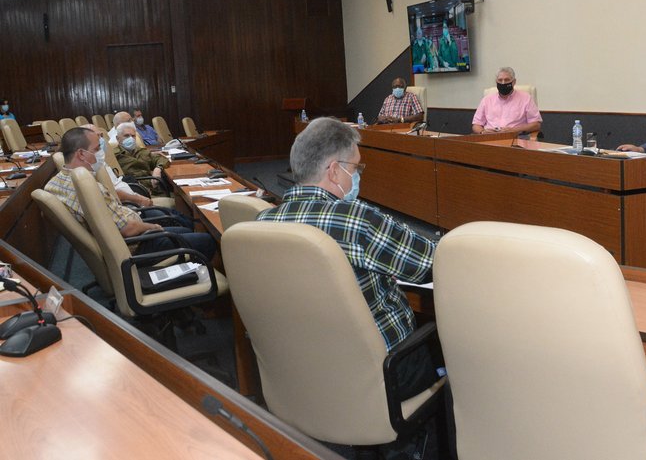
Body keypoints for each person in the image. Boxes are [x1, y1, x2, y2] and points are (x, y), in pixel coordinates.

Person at [256, 117, 440, 399]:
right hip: (384, 370)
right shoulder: (357, 221)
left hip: (302, 366)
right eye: (355, 168)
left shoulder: (262, 222)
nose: (358, 176)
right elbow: (433, 263)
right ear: (334, 171)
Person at [45, 127, 214, 259]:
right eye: (97, 148)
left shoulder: (55, 183)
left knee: (185, 232)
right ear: (81, 154)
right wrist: (154, 227)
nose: (101, 152)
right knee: (206, 241)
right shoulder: (87, 186)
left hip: (129, 235)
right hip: (135, 244)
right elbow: (128, 229)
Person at [472, 67, 542, 134]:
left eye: (507, 80)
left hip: (515, 138)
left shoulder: (526, 98)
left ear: (514, 82)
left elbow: (536, 124)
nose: (503, 83)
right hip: (490, 139)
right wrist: (482, 132)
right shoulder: (486, 100)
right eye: (500, 80)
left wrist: (514, 130)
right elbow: (476, 125)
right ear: (496, 82)